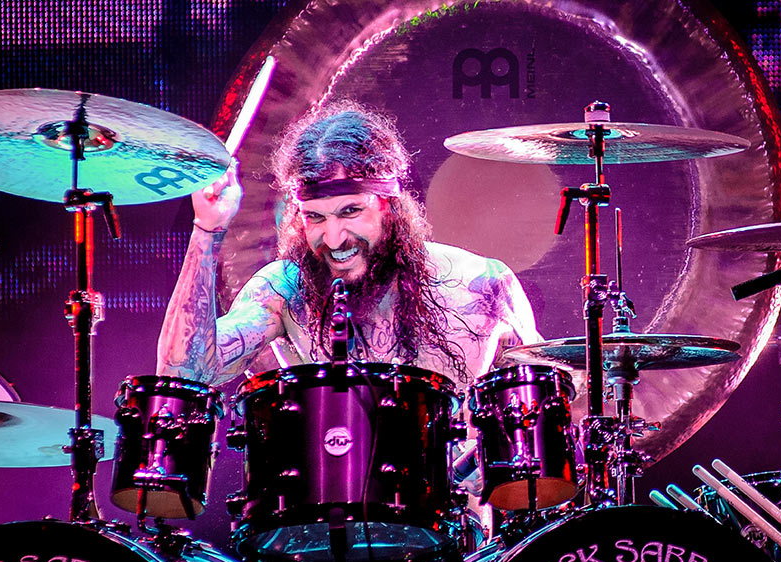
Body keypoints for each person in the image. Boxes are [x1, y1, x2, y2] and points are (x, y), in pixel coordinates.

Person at [156, 100, 542, 387]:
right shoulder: (285, 289)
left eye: (351, 211)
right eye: (316, 218)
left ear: (389, 205)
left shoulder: (485, 284)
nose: (334, 238)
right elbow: (184, 373)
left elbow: (547, 398)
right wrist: (207, 230)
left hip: (457, 492)